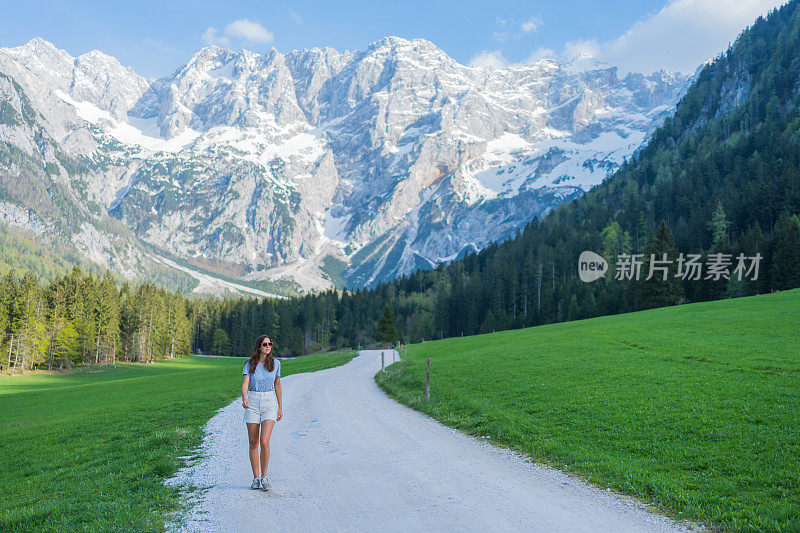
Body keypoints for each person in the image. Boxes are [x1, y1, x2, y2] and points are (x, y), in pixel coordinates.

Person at [241, 334, 283, 491]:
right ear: (259, 346)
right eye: (265, 344)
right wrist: (245, 398)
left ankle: (264, 477)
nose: (268, 346)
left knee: (264, 441)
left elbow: (278, 385)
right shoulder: (249, 364)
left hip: (269, 402)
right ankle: (256, 478)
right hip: (252, 401)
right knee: (253, 442)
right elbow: (245, 384)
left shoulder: (276, 364)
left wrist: (280, 406)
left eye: (270, 344)